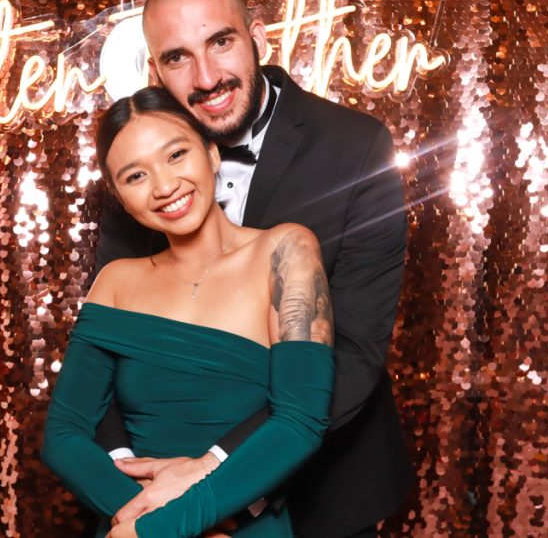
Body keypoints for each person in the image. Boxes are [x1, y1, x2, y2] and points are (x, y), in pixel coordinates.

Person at [92, 0, 413, 538]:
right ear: (154, 71)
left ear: (259, 40)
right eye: (177, 58)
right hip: (157, 491)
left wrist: (216, 477)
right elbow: (110, 337)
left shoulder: (356, 147)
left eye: (221, 41)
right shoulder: (135, 165)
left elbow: (355, 350)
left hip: (319, 496)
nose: (207, 77)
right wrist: (129, 479)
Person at [42, 86, 336, 537]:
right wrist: (147, 519)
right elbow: (64, 433)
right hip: (134, 518)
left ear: (212, 153)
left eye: (176, 155)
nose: (164, 186)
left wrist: (177, 525)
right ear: (120, 197)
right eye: (135, 177)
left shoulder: (285, 251)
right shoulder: (116, 281)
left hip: (241, 523)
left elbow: (299, 422)